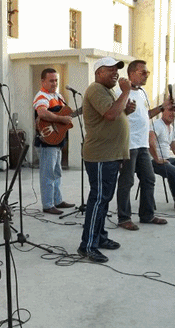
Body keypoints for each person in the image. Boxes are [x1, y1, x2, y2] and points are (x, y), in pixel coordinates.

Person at [77, 57, 132, 263]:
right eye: (110, 70)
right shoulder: (96, 89)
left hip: (111, 155)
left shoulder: (108, 90)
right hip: (100, 155)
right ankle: (87, 246)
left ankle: (99, 238)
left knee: (104, 199)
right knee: (99, 199)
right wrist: (126, 92)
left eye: (117, 70)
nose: (116, 74)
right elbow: (110, 115)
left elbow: (114, 112)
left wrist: (126, 107)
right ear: (99, 72)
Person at [115, 60, 169, 230]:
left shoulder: (143, 92)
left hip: (142, 144)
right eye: (143, 72)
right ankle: (124, 218)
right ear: (131, 73)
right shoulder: (120, 92)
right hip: (128, 144)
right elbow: (115, 116)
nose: (146, 75)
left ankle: (147, 215)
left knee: (149, 178)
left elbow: (146, 115)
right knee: (127, 181)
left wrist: (161, 108)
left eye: (147, 73)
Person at [33, 68, 75, 215]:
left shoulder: (57, 96)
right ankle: (48, 204)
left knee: (57, 172)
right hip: (46, 142)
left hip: (56, 141)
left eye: (56, 80)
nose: (54, 83)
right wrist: (61, 119)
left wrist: (65, 120)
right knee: (48, 173)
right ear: (43, 81)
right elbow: (42, 112)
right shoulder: (42, 96)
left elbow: (64, 115)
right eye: (51, 80)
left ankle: (57, 200)